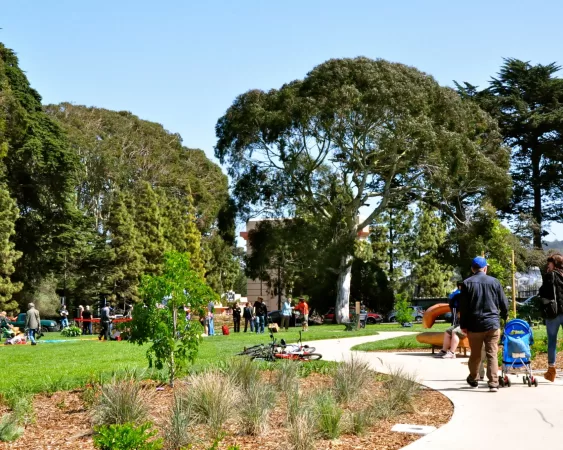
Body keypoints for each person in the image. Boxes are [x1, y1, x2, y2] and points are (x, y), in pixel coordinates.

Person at [460, 256, 508, 392]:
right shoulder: (495, 282)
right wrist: (504, 316)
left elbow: (464, 308)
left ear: (472, 269)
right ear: (485, 268)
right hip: (492, 324)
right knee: (492, 353)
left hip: (474, 325)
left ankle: (473, 378)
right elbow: (504, 302)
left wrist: (463, 325)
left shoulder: (466, 283)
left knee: (475, 354)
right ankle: (493, 383)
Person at [538, 253, 563, 382]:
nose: (548, 265)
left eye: (550, 263)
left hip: (553, 313)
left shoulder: (550, 275)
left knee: (552, 341)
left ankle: (551, 371)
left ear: (554, 264)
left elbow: (543, 292)